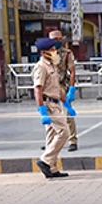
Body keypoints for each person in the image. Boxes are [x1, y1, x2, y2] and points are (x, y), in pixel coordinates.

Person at [33, 37, 72, 178]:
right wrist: (42, 110)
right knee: (64, 132)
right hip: (48, 105)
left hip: (56, 102)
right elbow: (38, 89)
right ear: (44, 52)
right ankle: (45, 160)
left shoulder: (52, 66)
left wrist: (66, 102)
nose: (55, 52)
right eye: (52, 50)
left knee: (52, 137)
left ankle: (52, 168)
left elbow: (56, 87)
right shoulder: (41, 67)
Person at [47, 30, 78, 151]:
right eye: (55, 39)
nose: (57, 41)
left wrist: (71, 88)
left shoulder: (67, 53)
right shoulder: (46, 53)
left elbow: (72, 71)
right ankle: (52, 142)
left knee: (67, 115)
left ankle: (72, 140)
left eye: (60, 39)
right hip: (49, 87)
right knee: (51, 116)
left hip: (62, 86)